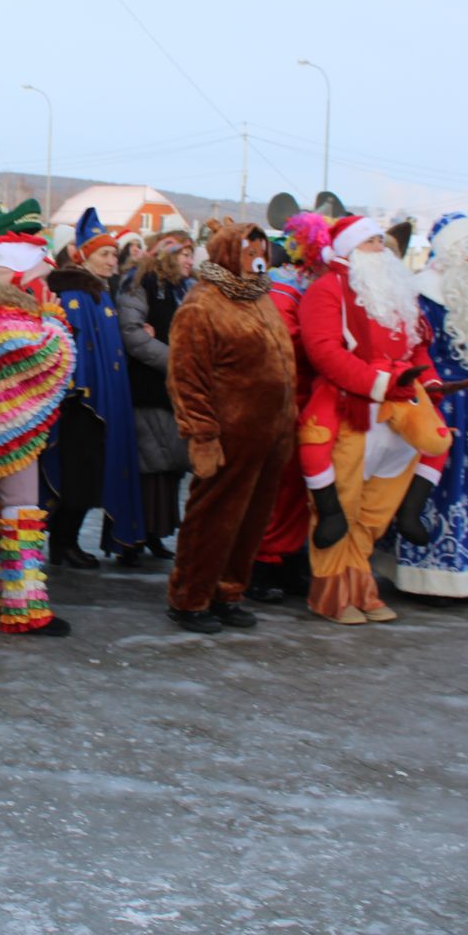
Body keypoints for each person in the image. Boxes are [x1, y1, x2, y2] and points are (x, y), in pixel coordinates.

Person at [297, 215, 453, 623]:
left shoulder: (399, 293)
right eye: (370, 242)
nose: (380, 248)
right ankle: (331, 593)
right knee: (342, 505)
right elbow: (325, 352)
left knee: (376, 509)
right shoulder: (326, 290)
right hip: (355, 408)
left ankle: (361, 585)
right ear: (348, 248)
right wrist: (380, 383)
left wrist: (429, 383)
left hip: (401, 413)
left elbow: (417, 349)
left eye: (381, 241)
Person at [164, 220, 295, 633]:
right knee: (212, 519)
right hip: (227, 436)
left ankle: (227, 591)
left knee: (251, 520)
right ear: (225, 254)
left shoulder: (260, 299)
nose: (258, 259)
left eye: (262, 252)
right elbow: (187, 377)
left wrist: (285, 424)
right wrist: (202, 434)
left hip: (268, 436)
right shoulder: (203, 305)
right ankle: (190, 597)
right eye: (248, 251)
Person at [0, 231, 74, 636]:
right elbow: (45, 354)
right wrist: (55, 321)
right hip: (9, 433)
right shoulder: (5, 317)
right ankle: (24, 607)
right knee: (21, 509)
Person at [392, 214, 468, 602]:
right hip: (442, 406)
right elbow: (416, 348)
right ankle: (427, 574)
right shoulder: (424, 295)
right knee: (437, 489)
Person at [44, 210, 145, 566]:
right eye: (103, 254)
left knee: (90, 477)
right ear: (83, 255)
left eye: (114, 254)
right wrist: (82, 393)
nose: (111, 260)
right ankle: (62, 542)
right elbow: (74, 350)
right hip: (81, 406)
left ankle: (67, 541)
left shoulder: (99, 293)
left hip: (100, 403)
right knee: (77, 476)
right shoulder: (76, 294)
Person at [249, 214, 329, 602]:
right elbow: (285, 349)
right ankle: (262, 562)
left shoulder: (316, 284)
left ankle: (289, 555)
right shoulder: (284, 288)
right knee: (278, 486)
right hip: (286, 399)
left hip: (315, 399)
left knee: (303, 485)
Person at [118, 234, 195, 559]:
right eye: (185, 254)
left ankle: (154, 533)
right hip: (147, 387)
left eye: (192, 254)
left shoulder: (186, 289)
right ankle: (132, 538)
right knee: (148, 463)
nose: (190, 260)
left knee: (169, 464)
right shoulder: (139, 283)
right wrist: (175, 360)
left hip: (174, 390)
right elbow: (133, 333)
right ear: (168, 255)